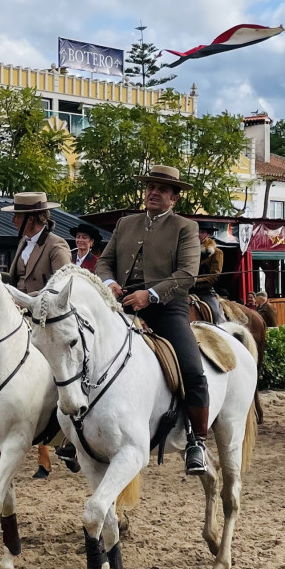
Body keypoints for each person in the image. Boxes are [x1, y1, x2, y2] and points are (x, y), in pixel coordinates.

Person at [95, 164, 210, 475]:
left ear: (174, 197)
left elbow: (187, 274)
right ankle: (74, 430)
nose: (154, 193)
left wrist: (151, 295)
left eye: (162, 189)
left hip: (167, 308)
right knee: (83, 351)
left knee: (193, 370)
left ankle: (197, 441)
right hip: (122, 305)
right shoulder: (125, 223)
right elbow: (104, 262)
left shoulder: (185, 227)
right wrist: (109, 283)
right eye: (150, 187)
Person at [1, 191, 74, 478]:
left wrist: (25, 299)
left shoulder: (57, 246)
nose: (13, 221)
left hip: (46, 319)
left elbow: (63, 286)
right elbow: (15, 279)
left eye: (16, 216)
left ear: (31, 219)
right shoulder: (23, 242)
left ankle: (67, 435)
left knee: (57, 370)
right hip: (19, 314)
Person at [192, 223, 224, 323]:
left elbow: (214, 276)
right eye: (197, 232)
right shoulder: (187, 252)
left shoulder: (217, 253)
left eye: (202, 232)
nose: (199, 234)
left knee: (217, 316)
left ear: (208, 234)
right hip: (185, 290)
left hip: (205, 291)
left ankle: (220, 328)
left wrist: (194, 280)